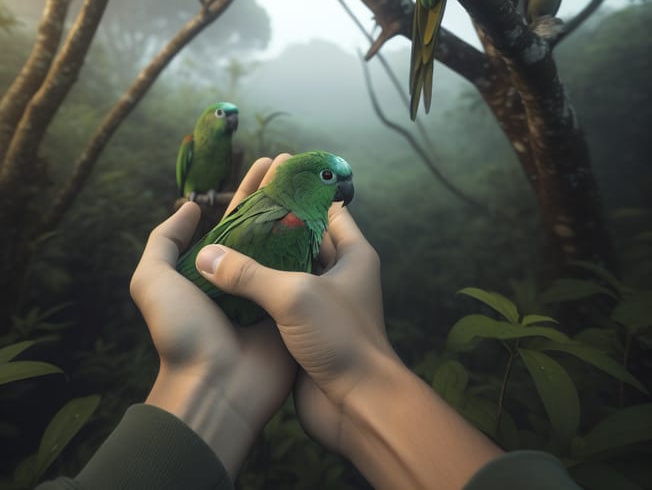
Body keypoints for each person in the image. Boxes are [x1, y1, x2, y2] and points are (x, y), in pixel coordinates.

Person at [38, 155, 581, 490]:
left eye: (339, 178)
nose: (340, 187)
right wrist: (362, 379)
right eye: (328, 177)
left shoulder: (298, 222)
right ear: (303, 183)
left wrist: (209, 382)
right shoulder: (292, 225)